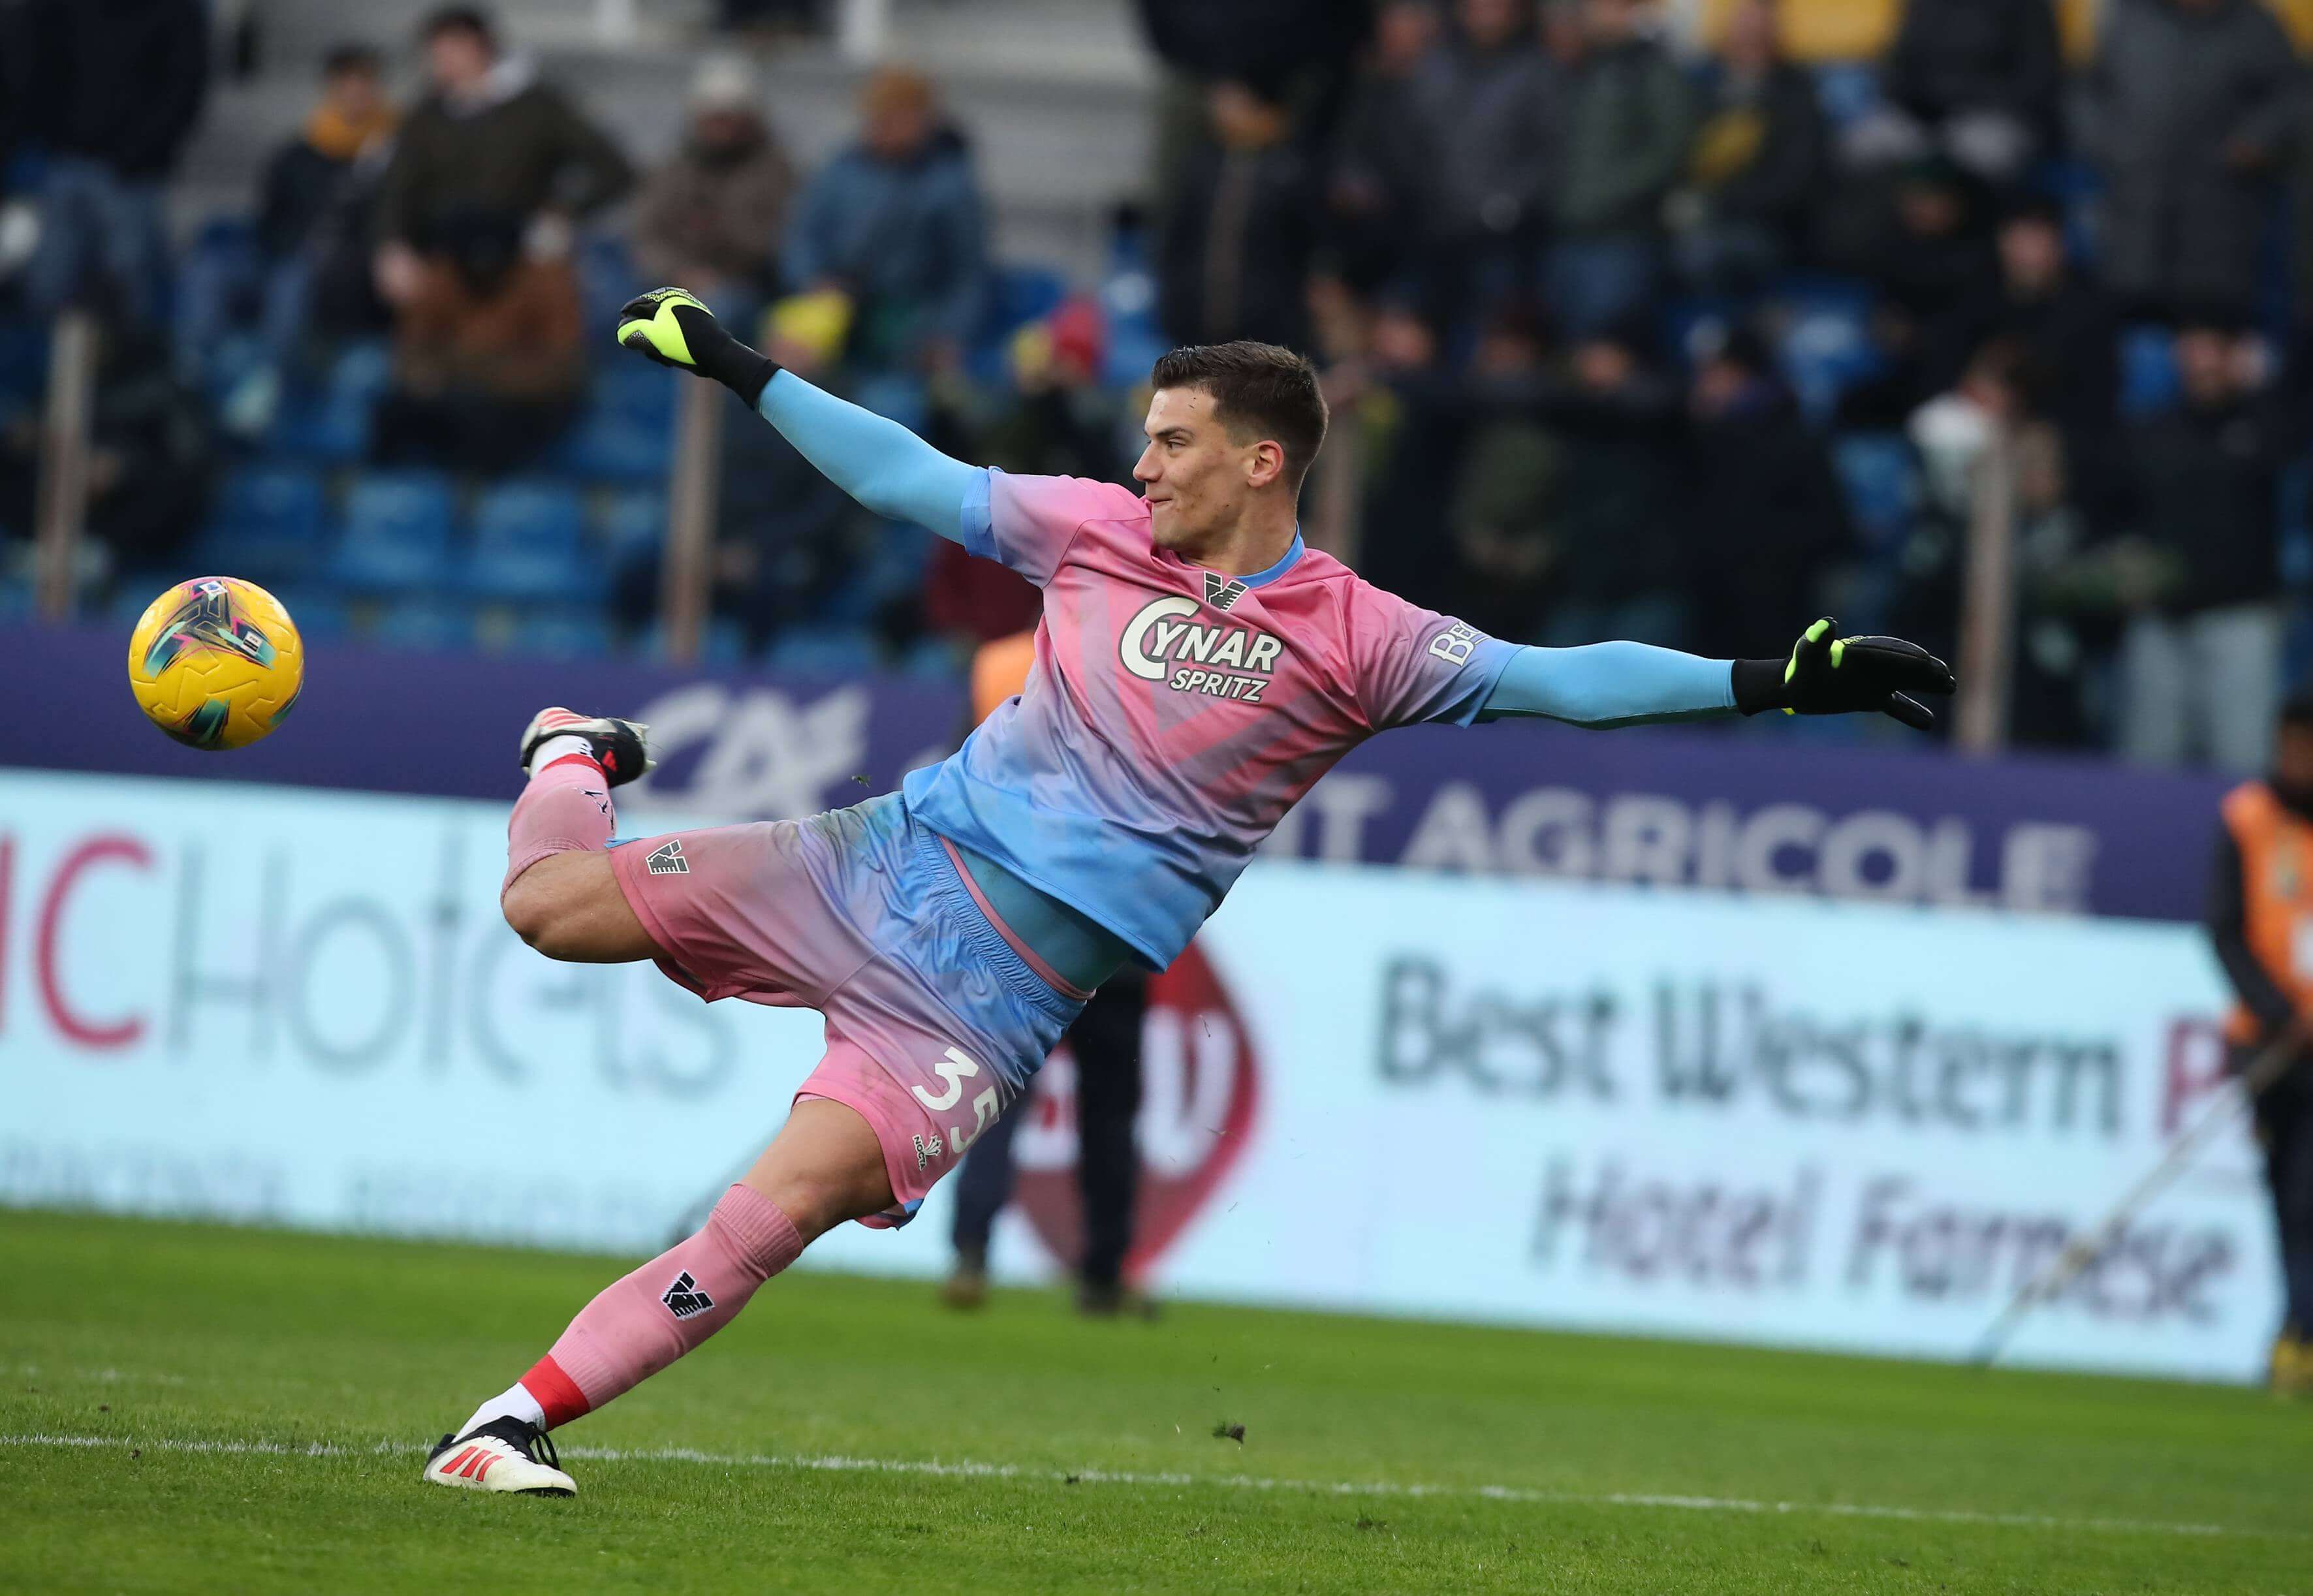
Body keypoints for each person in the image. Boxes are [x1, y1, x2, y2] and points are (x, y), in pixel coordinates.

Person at [418, 287, 1953, 1495]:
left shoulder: (1359, 637)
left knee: (774, 1216)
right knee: (548, 907)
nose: (1141, 464)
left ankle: (509, 1422)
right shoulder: (1090, 531)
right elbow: (908, 477)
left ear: (1260, 458)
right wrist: (742, 367)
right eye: (1143, 440)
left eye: (1171, 441)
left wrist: (1774, 679)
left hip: (986, 1003)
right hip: (879, 860)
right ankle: (571, 747)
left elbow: (1565, 679)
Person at [943, 633, 1152, 1319]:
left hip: (1022, 925)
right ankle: (1103, 1275)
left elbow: (959, 789)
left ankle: (970, 1252)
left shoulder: (1001, 663)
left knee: (997, 1099)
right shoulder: (1154, 666)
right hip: (1116, 926)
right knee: (1110, 1112)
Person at [2109, 319, 2296, 773]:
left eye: (2215, 349)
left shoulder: (2264, 423)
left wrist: (2262, 386)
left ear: (2235, 357)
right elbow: (2117, 513)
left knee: (2241, 767)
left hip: (2240, 620)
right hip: (2159, 621)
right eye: (2194, 349)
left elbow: (2292, 436)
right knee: (2146, 769)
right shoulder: (2152, 430)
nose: (2204, 362)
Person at [371, 7, 634, 321]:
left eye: (449, 51)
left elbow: (614, 169)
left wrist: (562, 214)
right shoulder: (426, 115)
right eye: (435, 54)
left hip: (523, 258)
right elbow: (398, 188)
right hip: (444, 260)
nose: (440, 63)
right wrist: (393, 245)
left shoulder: (537, 106)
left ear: (478, 47)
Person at [2205, 689, 2313, 1394]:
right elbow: (2225, 928)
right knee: (2287, 1197)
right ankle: (2297, 1330)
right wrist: (2277, 1012)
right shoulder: (2247, 817)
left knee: (2310, 1194)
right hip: (2270, 1043)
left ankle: (2300, 1335)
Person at [2084, 0, 2306, 323]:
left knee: (2206, 328)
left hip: (2218, 218)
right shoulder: (2130, 17)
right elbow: (2087, 91)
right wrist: (2108, 144)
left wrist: (2256, 137)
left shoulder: (2254, 24)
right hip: (2135, 215)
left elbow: (2293, 92)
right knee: (2126, 322)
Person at [783, 69, 988, 377]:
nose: (884, 128)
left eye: (897, 117)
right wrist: (812, 281)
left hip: (908, 321)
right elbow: (803, 237)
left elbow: (967, 274)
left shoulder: (949, 184)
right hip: (836, 306)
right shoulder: (842, 170)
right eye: (878, 117)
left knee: (888, 396)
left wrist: (947, 334)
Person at [21, 0, 210, 328]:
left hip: (132, 176)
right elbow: (43, 67)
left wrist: (138, 154)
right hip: (67, 161)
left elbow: (183, 88)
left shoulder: (176, 12)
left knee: (130, 288)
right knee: (48, 285)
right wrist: (52, 136)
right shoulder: (68, 10)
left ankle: (129, 356)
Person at [1546, 0, 1693, 339]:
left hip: (1623, 236)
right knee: (1566, 345)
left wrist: (1607, 194)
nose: (1594, 13)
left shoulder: (1651, 68)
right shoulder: (1576, 66)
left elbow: (1671, 149)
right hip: (1564, 231)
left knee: (1607, 343)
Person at [632, 55, 795, 311]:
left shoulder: (774, 172)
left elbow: (783, 242)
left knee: (720, 309)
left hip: (745, 284)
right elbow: (647, 234)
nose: (721, 128)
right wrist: (680, 272)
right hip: (676, 279)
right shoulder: (675, 169)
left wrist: (725, 230)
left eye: (729, 118)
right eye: (714, 118)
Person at [1849, 0, 2062, 183]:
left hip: (1998, 116)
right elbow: (1898, 66)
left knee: (1985, 151)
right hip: (1925, 116)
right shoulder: (1923, 4)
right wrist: (1916, 108)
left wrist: (1967, 104)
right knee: (1866, 146)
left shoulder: (2029, 6)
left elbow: (2038, 79)